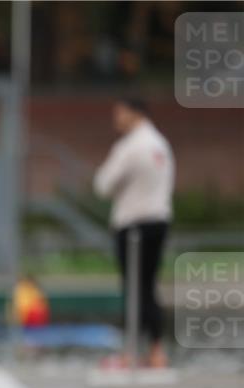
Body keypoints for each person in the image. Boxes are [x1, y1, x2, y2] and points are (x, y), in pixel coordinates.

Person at [93, 97, 174, 368]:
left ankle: (129, 353)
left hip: (133, 225)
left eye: (119, 112)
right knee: (148, 287)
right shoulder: (161, 144)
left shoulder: (130, 147)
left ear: (133, 113)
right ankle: (156, 350)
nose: (116, 118)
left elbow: (103, 185)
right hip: (159, 220)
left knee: (134, 288)